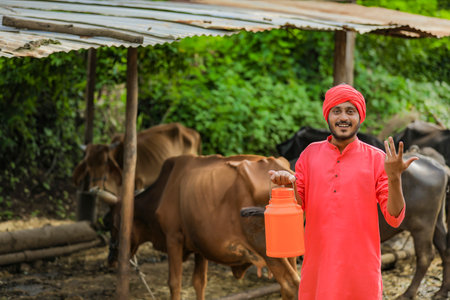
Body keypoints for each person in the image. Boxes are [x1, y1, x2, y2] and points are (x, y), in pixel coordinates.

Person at [269, 84, 418, 300]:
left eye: (350, 111)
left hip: (361, 272)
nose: (343, 117)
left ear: (360, 116)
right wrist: (288, 185)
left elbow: (394, 217)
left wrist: (394, 178)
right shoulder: (309, 155)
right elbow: (297, 207)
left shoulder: (377, 160)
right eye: (336, 111)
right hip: (318, 270)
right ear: (327, 115)